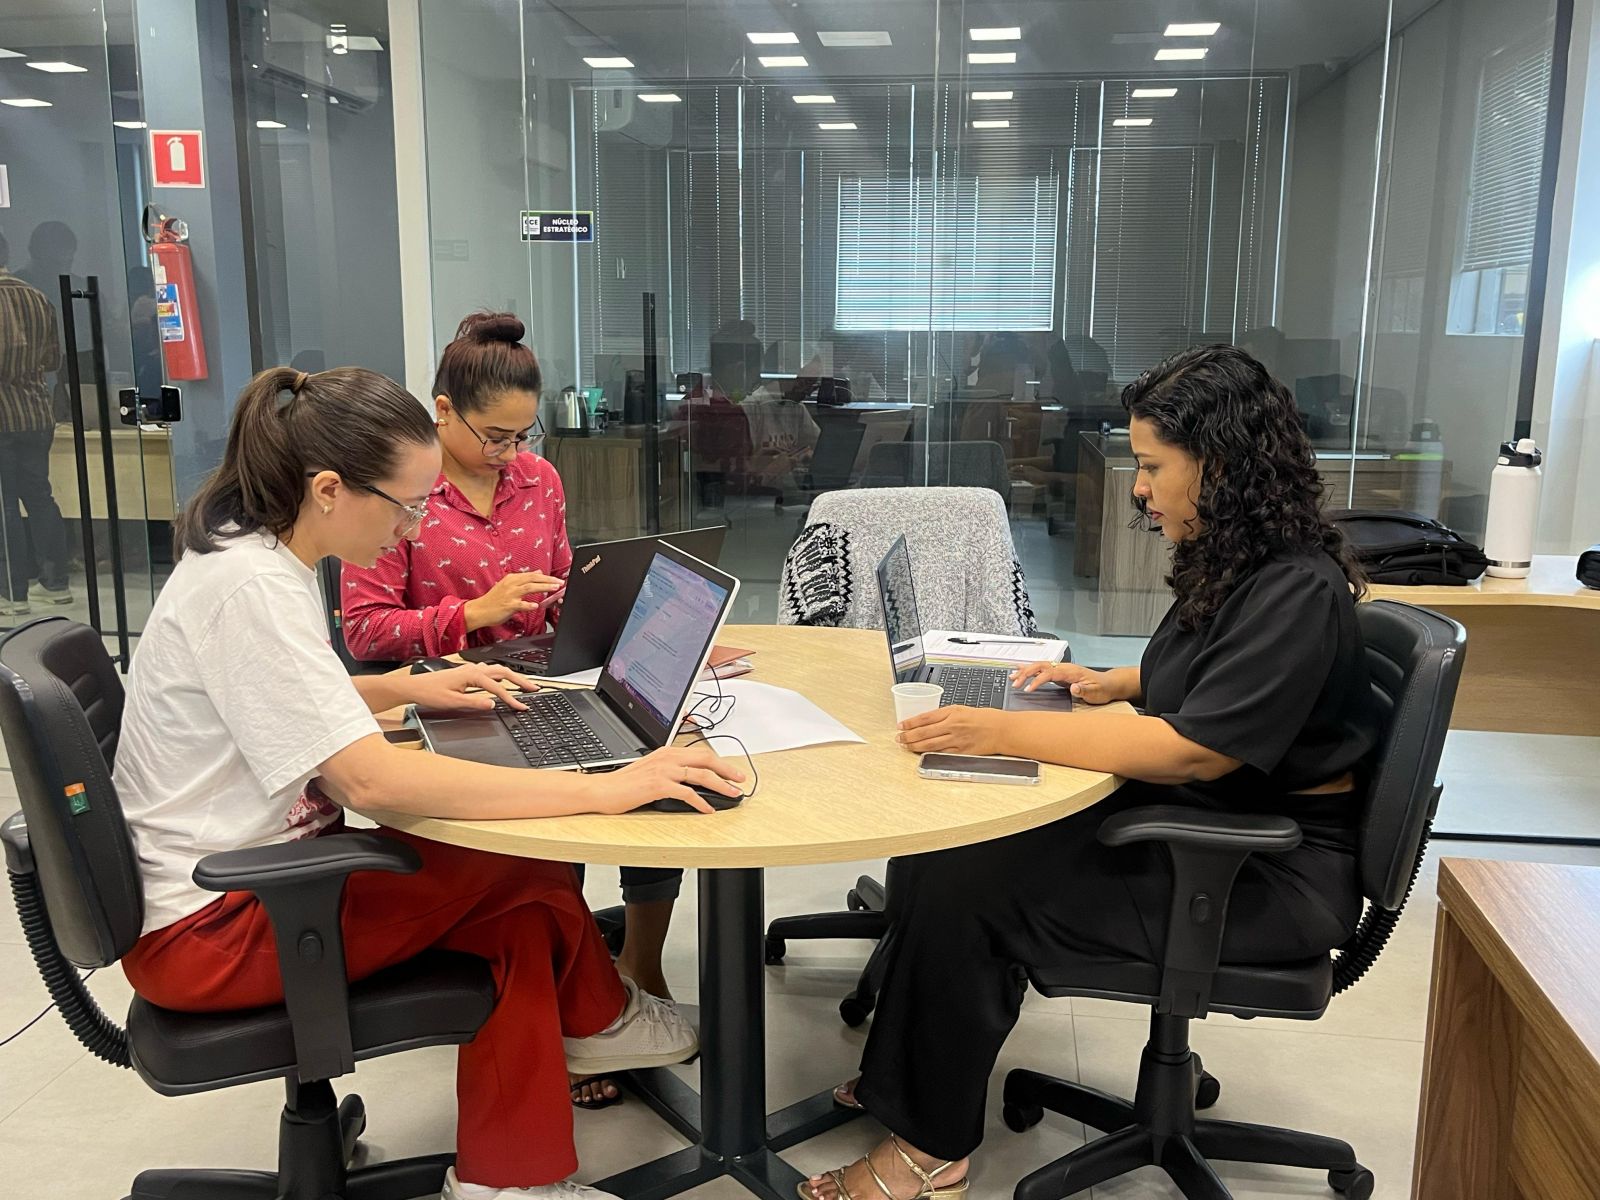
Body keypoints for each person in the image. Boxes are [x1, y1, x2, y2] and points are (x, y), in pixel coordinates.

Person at [115, 365, 745, 1200]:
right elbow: (369, 784)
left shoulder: (257, 553)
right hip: (215, 926)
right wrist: (609, 786)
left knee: (512, 919)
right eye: (407, 505)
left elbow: (275, 695)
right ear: (331, 488)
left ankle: (510, 1173)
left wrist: (406, 686)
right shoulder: (252, 587)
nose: (414, 527)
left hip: (237, 886)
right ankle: (598, 1022)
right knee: (518, 863)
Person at [804, 344, 1379, 1200]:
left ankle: (929, 1151)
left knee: (974, 882)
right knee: (949, 838)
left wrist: (1006, 732)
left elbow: (1196, 748)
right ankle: (909, 1078)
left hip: (1257, 870)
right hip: (1211, 821)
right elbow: (1219, 679)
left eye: (1152, 466)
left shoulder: (1294, 587)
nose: (1139, 487)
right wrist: (1117, 682)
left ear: (1219, 463)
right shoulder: (1245, 559)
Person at [340, 312, 686, 1107]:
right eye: (494, 437)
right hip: (452, 688)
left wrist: (627, 624)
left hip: (545, 671)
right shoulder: (403, 492)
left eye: (522, 436)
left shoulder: (542, 480)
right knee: (562, 808)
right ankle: (575, 996)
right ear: (443, 410)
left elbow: (566, 577)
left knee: (652, 755)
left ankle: (639, 961)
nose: (510, 454)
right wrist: (470, 613)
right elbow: (364, 627)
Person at [0, 229, 73, 616]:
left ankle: (12, 593)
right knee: (40, 497)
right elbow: (51, 361)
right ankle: (55, 583)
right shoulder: (36, 296)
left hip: (1, 417)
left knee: (3, 504)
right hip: (34, 413)